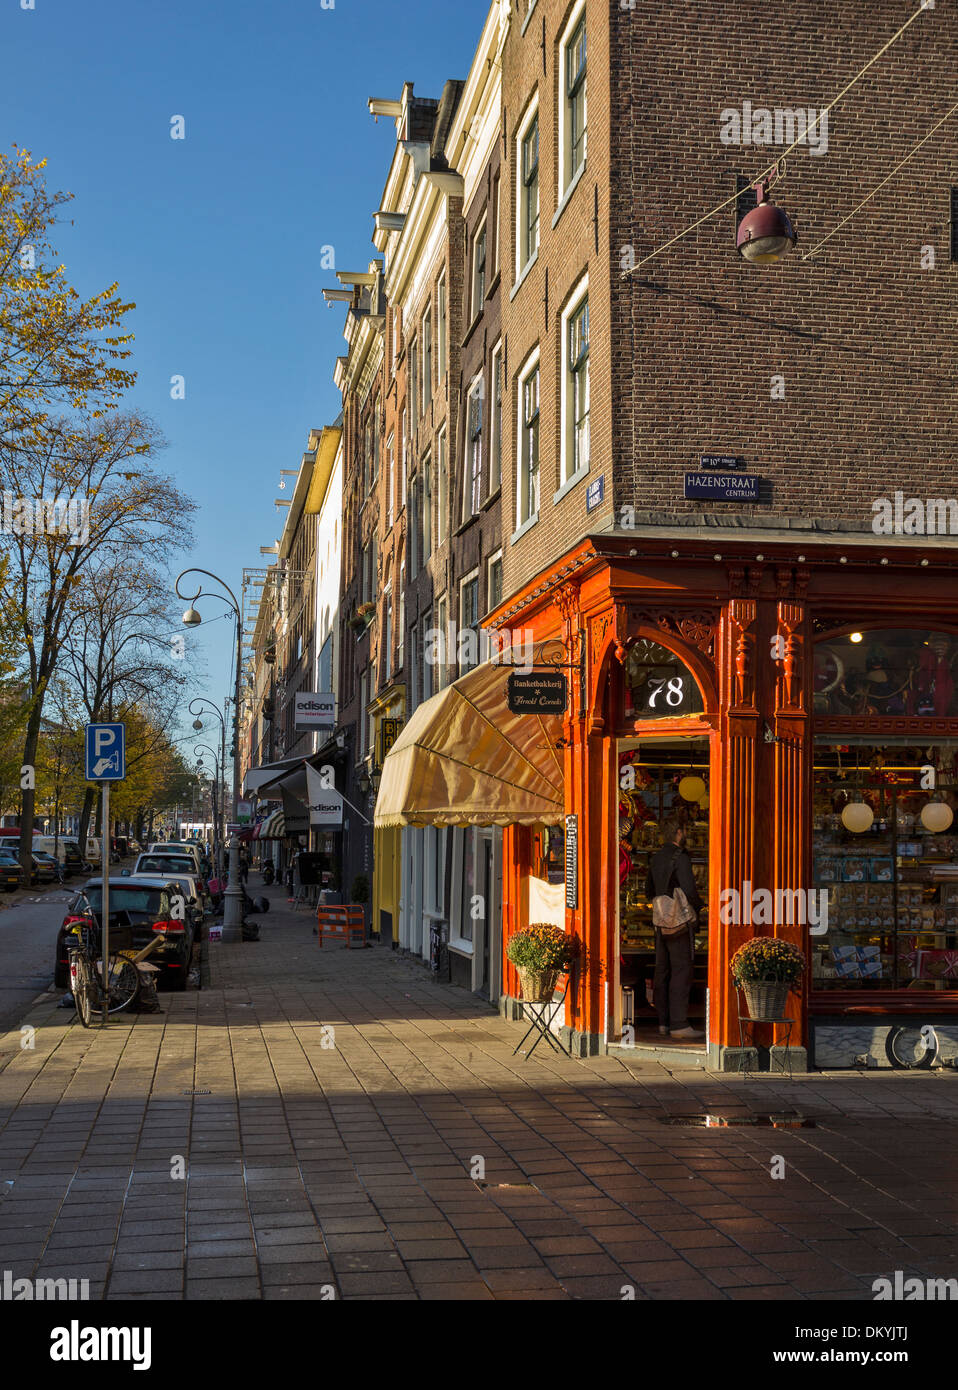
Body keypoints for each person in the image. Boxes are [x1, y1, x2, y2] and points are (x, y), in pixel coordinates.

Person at [645, 817, 705, 1040]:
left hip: (660, 922)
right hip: (679, 923)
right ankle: (679, 1023)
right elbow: (689, 889)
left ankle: (663, 1022)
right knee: (682, 970)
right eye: (685, 830)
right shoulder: (681, 857)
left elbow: (648, 890)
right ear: (679, 832)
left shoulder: (656, 857)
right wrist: (699, 907)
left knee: (662, 970)